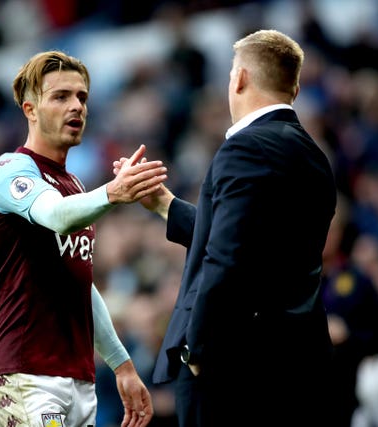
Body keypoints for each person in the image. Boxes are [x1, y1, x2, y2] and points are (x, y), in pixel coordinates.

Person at [115, 29, 338, 426]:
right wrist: (165, 205)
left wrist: (199, 352)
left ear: (239, 79)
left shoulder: (245, 147)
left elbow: (228, 256)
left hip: (235, 369)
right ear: (296, 87)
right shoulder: (314, 157)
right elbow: (252, 242)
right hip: (299, 363)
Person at [0, 50, 164, 427]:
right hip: (24, 374)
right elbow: (56, 216)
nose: (76, 106)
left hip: (78, 380)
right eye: (60, 96)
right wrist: (113, 192)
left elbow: (80, 283)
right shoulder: (8, 170)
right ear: (30, 109)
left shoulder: (73, 185)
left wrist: (122, 365)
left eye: (82, 97)